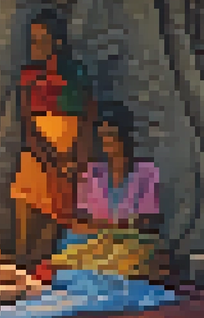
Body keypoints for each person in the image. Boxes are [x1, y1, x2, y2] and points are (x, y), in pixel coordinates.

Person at [12, 9, 96, 269]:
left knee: (60, 216)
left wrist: (73, 161)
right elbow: (27, 123)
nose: (34, 47)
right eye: (32, 41)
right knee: (28, 209)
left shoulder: (76, 75)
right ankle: (24, 264)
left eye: (40, 41)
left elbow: (87, 120)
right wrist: (48, 158)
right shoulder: (28, 77)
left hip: (71, 154)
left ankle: (49, 268)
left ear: (58, 43)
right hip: (38, 153)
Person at [47, 102, 161, 279]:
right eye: (103, 136)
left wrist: (109, 227)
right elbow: (79, 222)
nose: (107, 141)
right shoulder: (92, 173)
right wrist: (112, 227)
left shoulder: (146, 172)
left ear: (125, 136)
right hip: (96, 244)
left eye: (112, 135)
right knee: (64, 259)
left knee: (129, 261)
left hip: (131, 244)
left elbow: (146, 222)